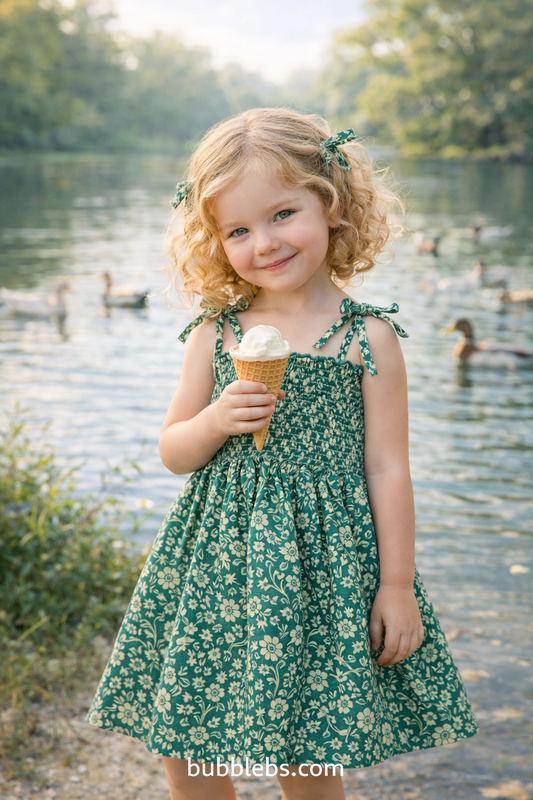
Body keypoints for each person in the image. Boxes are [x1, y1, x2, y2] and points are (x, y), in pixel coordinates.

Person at [87, 108, 478, 800]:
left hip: (319, 570)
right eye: (237, 230)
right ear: (215, 239)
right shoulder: (215, 333)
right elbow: (174, 451)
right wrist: (214, 419)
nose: (262, 242)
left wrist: (394, 585)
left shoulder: (368, 339)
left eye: (281, 214)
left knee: (307, 743)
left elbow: (387, 468)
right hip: (216, 558)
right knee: (190, 737)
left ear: (331, 205)